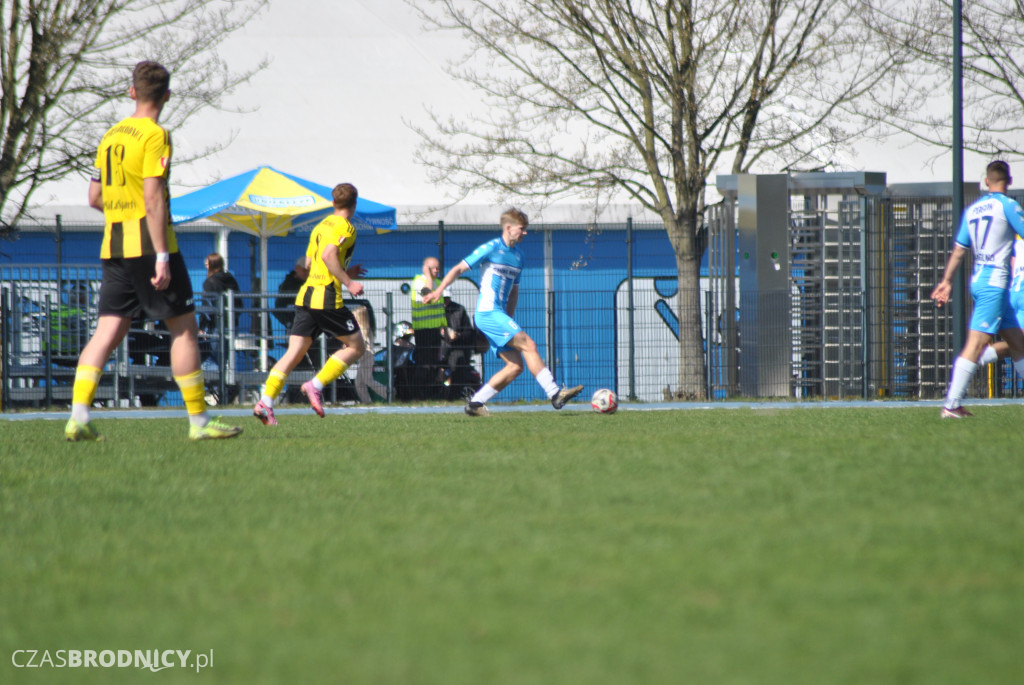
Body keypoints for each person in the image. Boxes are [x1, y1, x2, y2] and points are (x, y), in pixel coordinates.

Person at [64, 60, 241, 441]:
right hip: (149, 243)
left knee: (107, 330)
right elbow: (153, 196)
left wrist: (122, 215)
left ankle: (78, 416)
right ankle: (199, 423)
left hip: (113, 243)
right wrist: (161, 254)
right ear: (168, 96)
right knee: (184, 329)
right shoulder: (155, 135)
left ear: (132, 92)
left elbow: (94, 196)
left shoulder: (110, 135)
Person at [423, 207, 584, 416]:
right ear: (508, 228)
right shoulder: (491, 247)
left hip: (498, 315)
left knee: (515, 366)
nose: (525, 233)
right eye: (522, 229)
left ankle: (475, 404)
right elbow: (458, 269)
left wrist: (509, 317)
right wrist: (438, 290)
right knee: (530, 345)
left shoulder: (519, 256)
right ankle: (555, 394)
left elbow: (514, 291)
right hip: (487, 313)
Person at [252, 183, 367, 426]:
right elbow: (328, 255)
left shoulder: (321, 224)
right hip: (326, 296)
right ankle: (315, 385)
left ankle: (266, 402)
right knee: (356, 346)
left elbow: (308, 262)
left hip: (306, 295)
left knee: (293, 353)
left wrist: (345, 270)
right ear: (354, 205)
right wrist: (348, 282)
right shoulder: (346, 227)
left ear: (333, 202)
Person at [930, 160, 1024, 418]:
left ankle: (953, 404)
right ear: (1010, 181)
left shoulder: (972, 210)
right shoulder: (1008, 205)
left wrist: (946, 281)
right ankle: (951, 405)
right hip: (995, 281)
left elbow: (959, 250)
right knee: (976, 343)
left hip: (981, 280)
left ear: (986, 182)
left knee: (1018, 342)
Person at [410, 256, 446, 399]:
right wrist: (427, 276)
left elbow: (439, 308)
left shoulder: (437, 282)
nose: (436, 271)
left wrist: (444, 327)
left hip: (435, 330)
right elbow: (428, 295)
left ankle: (428, 396)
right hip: (423, 331)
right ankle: (416, 395)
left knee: (434, 365)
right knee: (424, 365)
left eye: (438, 268)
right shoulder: (419, 281)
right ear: (426, 268)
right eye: (433, 268)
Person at [440, 287, 478, 397]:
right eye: (442, 299)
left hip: (456, 348)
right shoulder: (434, 311)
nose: (445, 301)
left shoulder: (459, 310)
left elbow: (469, 333)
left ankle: (454, 394)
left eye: (446, 298)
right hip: (438, 347)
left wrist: (458, 336)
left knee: (457, 362)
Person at [198, 252, 241, 335]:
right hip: (232, 324)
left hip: (215, 324)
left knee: (217, 347)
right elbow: (239, 302)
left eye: (207, 264)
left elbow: (207, 306)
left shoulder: (209, 282)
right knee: (229, 347)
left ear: (212, 265)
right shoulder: (231, 279)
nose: (206, 267)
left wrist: (202, 327)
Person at [273, 257, 309, 332]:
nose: (307, 272)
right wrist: (289, 323)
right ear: (297, 268)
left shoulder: (315, 283)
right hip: (296, 327)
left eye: (310, 270)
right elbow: (278, 308)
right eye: (305, 270)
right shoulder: (287, 285)